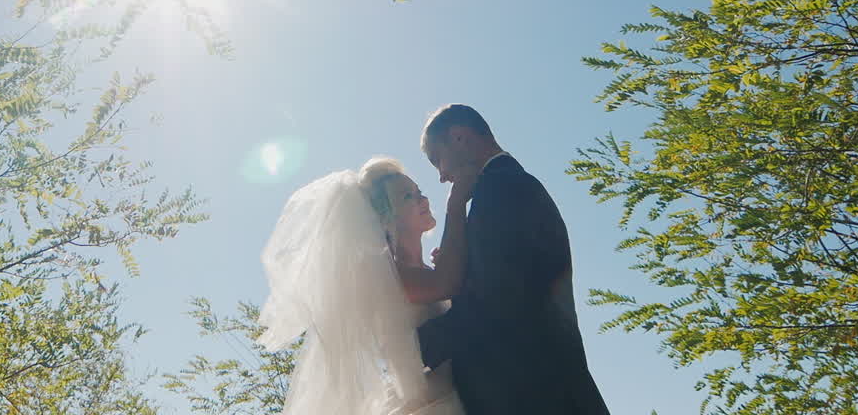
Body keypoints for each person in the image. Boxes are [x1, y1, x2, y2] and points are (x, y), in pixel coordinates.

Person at [416, 104, 610, 415]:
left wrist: (413, 347)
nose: (441, 176)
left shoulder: (500, 189)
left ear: (459, 137)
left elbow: (498, 299)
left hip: (533, 394)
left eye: (437, 159)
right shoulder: (507, 185)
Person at [258, 156, 470, 415]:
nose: (423, 200)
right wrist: (456, 204)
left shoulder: (426, 272)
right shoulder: (393, 279)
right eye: (408, 197)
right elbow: (444, 285)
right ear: (386, 218)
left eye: (419, 192)